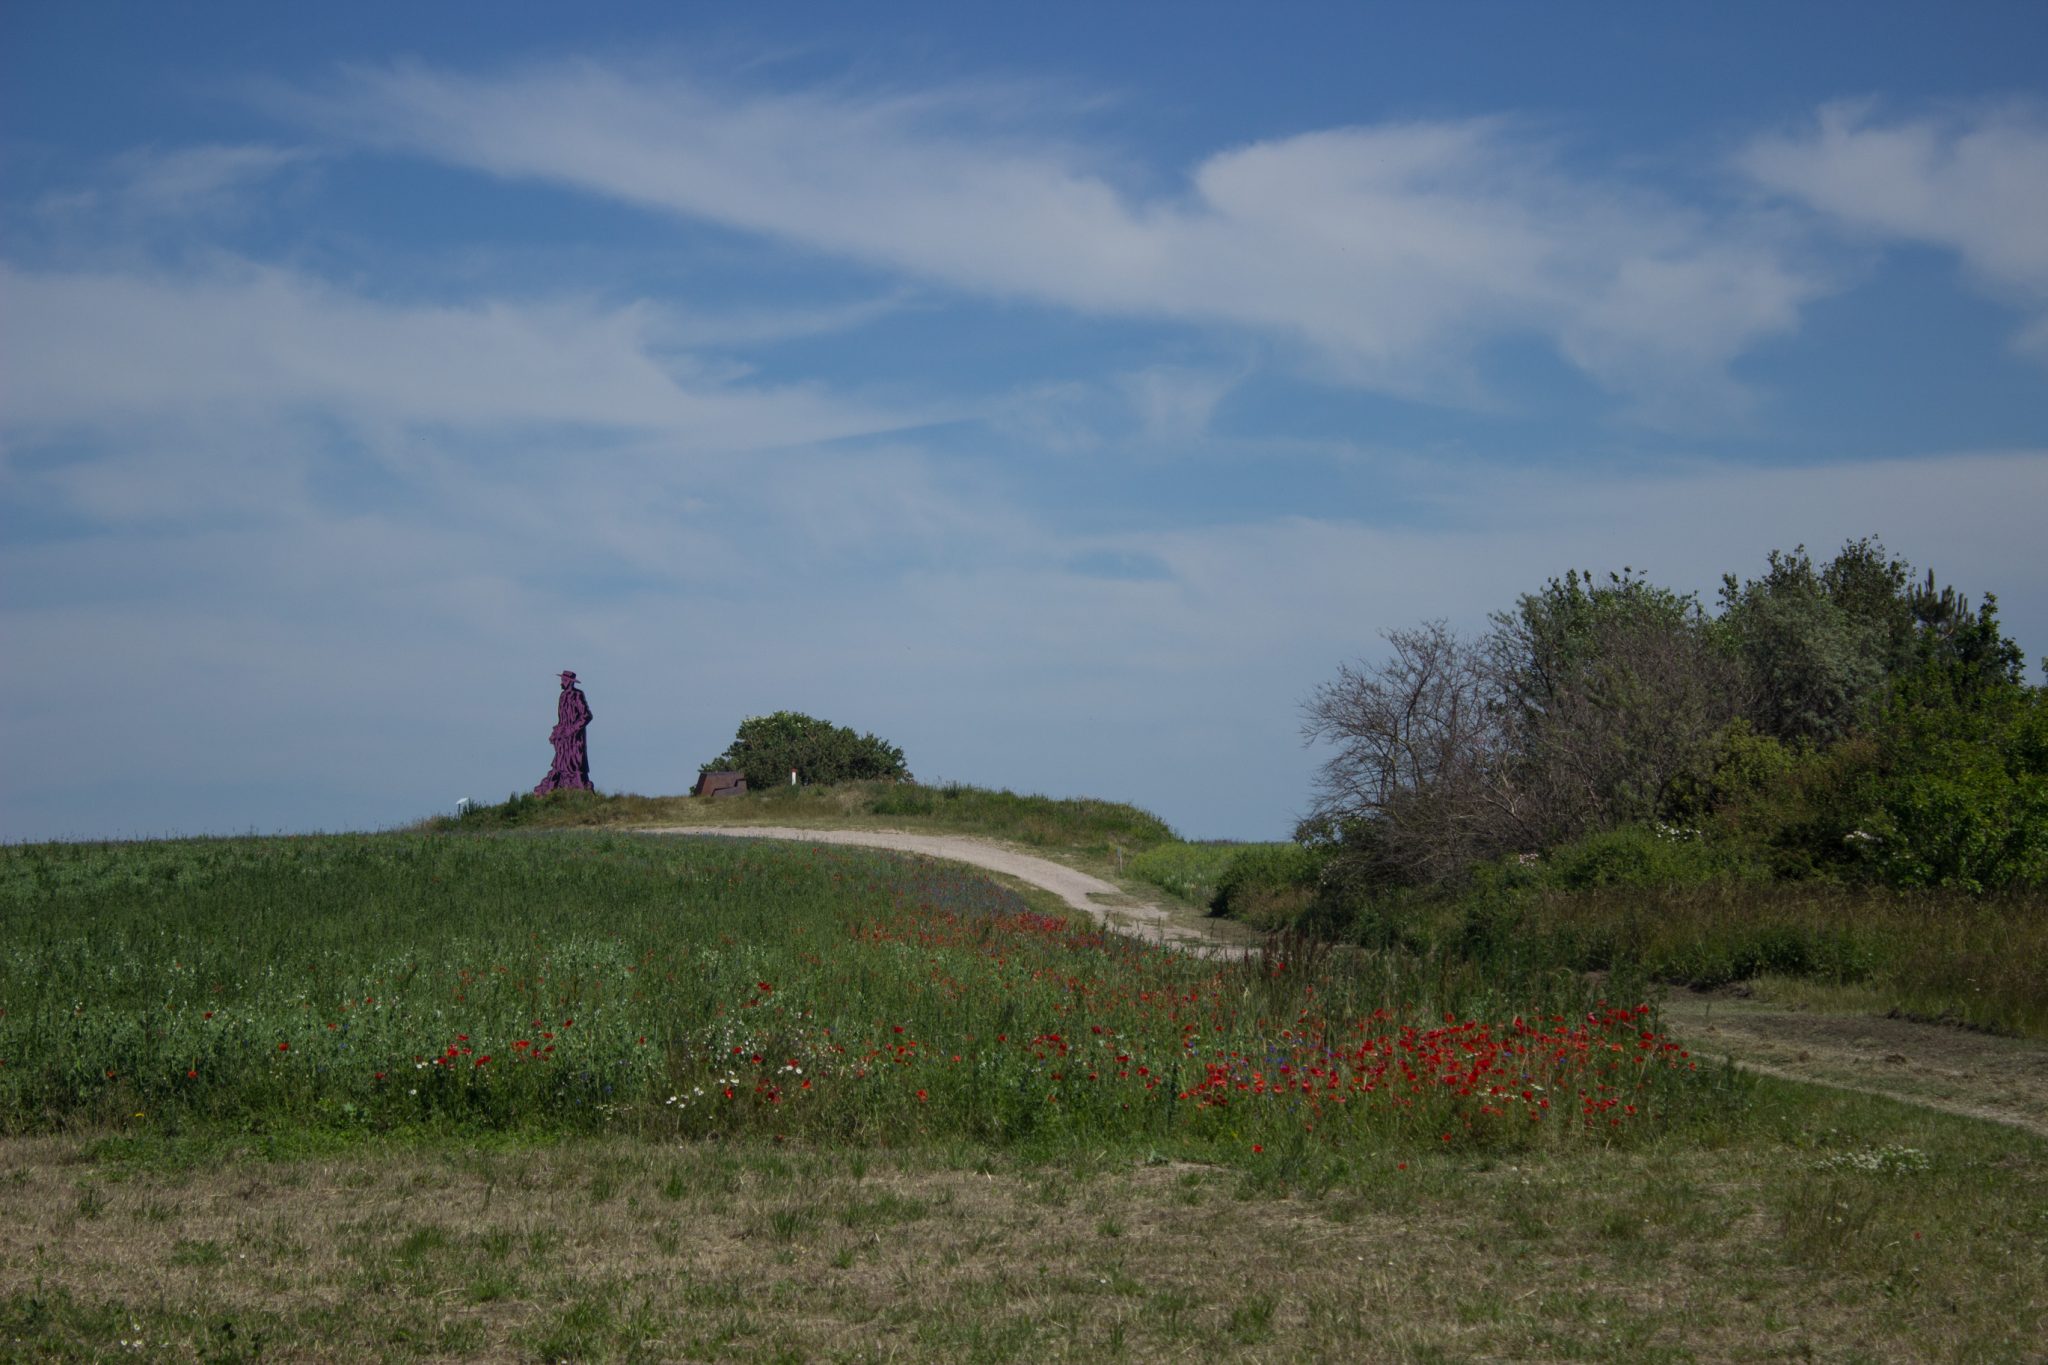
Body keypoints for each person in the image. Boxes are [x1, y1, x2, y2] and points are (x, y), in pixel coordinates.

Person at [534, 670, 594, 793]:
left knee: (574, 765)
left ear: (570, 682)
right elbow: (561, 719)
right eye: (562, 680)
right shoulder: (562, 696)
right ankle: (555, 790)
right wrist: (556, 733)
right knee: (560, 764)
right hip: (563, 739)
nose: (562, 683)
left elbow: (586, 716)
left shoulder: (577, 695)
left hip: (574, 739)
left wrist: (571, 729)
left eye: (564, 680)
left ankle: (578, 790)